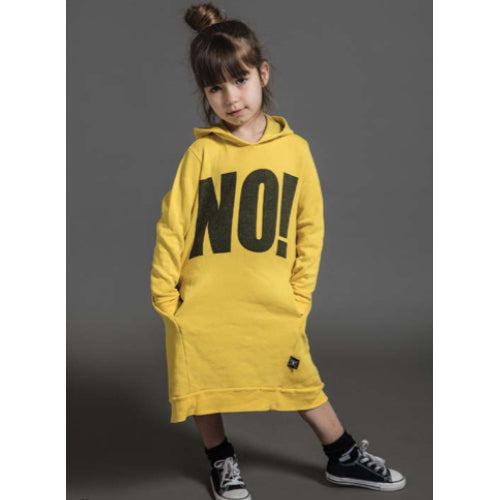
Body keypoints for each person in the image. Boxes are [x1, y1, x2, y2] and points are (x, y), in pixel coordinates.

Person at [150, 3, 406, 498]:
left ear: (262, 74)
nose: (231, 97)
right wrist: (165, 294)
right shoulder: (201, 154)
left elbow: (310, 228)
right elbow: (173, 225)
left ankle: (342, 455)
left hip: (270, 299)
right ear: (205, 94)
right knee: (203, 378)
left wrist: (300, 294)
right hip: (202, 299)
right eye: (215, 88)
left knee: (298, 376)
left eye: (240, 80)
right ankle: (221, 460)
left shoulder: (295, 151)